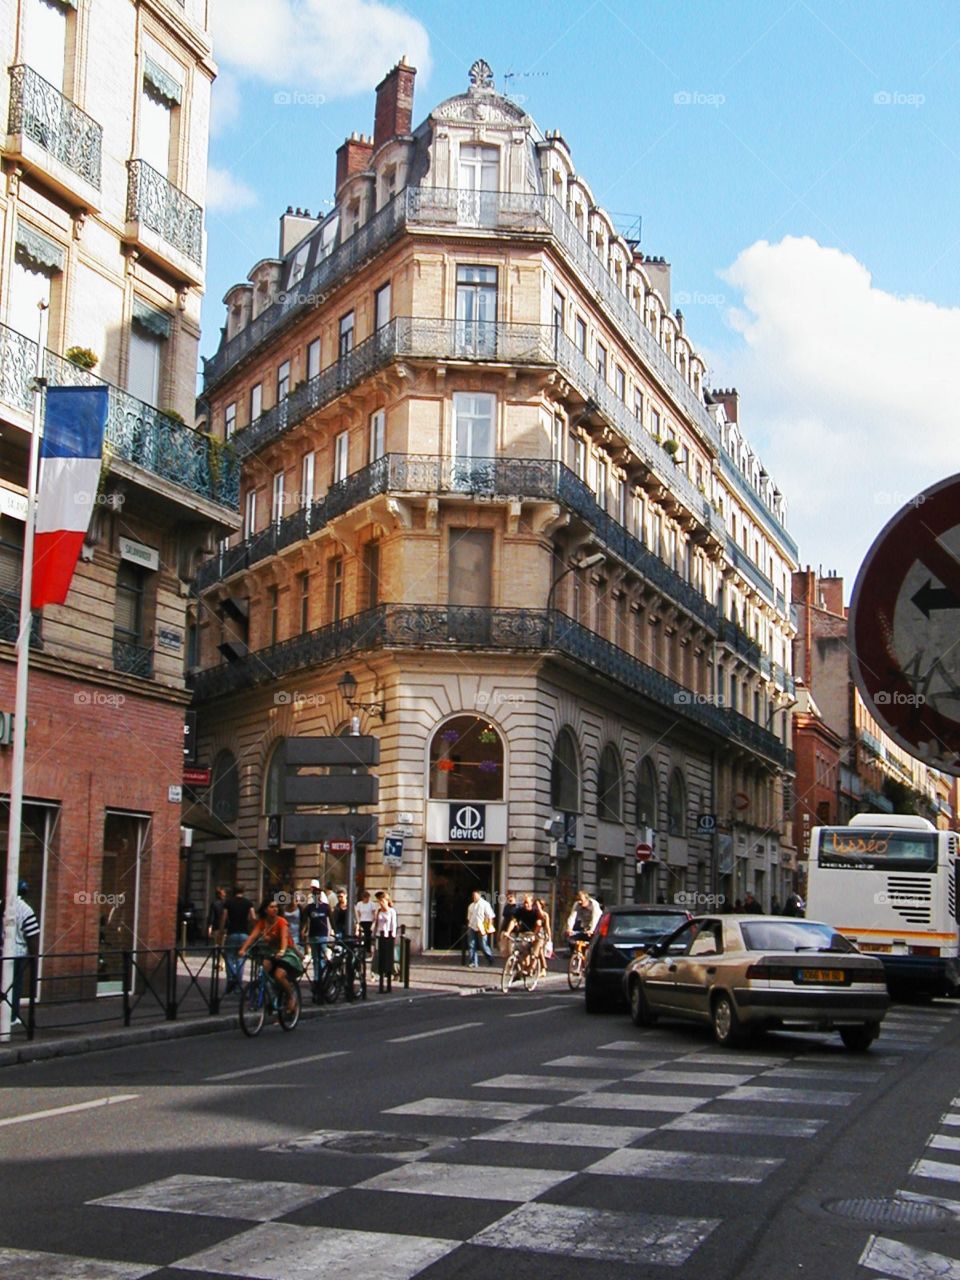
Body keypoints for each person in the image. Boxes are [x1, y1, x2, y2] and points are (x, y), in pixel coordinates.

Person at [237, 897, 302, 1016]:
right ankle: (269, 995)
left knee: (279, 975)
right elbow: (252, 937)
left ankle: (291, 996)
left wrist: (282, 950)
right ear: (265, 910)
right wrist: (243, 949)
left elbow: (284, 938)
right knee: (264, 969)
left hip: (286, 953)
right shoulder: (262, 922)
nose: (275, 909)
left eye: (276, 907)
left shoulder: (281, 921)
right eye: (271, 907)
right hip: (271, 952)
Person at [6, 880, 40, 1028]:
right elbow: (32, 936)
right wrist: (34, 959)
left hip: (4, 953)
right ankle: (12, 1016)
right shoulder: (26, 910)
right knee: (15, 986)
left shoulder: (3, 905)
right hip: (18, 954)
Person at [301, 878, 333, 1002]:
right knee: (315, 959)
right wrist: (303, 930)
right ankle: (317, 979)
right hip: (313, 935)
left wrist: (333, 932)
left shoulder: (325, 907)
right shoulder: (309, 908)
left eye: (317, 894)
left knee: (322, 958)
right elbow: (305, 920)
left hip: (323, 935)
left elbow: (331, 920)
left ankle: (322, 979)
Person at [222, 884, 255, 994]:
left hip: (232, 932)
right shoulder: (248, 903)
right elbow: (253, 917)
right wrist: (253, 930)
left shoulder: (228, 903)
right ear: (243, 891)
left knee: (229, 957)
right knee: (241, 959)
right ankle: (238, 985)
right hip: (244, 933)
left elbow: (224, 917)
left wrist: (221, 931)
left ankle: (231, 978)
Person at [503, 892, 548, 968]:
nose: (525, 904)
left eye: (527, 902)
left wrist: (534, 935)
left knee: (535, 950)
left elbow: (540, 923)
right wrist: (508, 932)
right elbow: (513, 921)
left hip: (533, 934)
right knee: (520, 953)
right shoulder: (520, 910)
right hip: (523, 934)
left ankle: (534, 964)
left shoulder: (535, 911)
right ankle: (520, 967)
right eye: (524, 902)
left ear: (531, 903)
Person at [373, 890, 397, 993]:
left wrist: (393, 936)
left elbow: (393, 925)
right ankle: (381, 985)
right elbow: (375, 924)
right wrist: (373, 934)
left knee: (388, 960)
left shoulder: (392, 911)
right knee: (380, 960)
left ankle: (388, 985)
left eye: (382, 901)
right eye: (379, 901)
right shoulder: (379, 911)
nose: (381, 903)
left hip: (388, 937)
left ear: (387, 901)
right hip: (380, 936)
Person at [466, 890, 495, 967]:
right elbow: (469, 917)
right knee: (471, 945)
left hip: (482, 927)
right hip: (472, 926)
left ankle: (490, 958)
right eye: (473, 896)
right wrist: (469, 926)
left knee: (483, 945)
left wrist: (488, 927)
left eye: (475, 896)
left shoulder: (485, 904)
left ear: (479, 895)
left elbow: (490, 916)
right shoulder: (471, 906)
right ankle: (473, 962)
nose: (474, 897)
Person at [354, 889, 375, 954]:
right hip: (362, 921)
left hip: (369, 921)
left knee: (368, 936)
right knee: (361, 936)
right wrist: (358, 922)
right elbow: (358, 913)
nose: (367, 899)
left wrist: (373, 922)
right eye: (366, 898)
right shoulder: (359, 904)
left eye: (368, 898)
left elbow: (373, 913)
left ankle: (368, 950)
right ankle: (362, 949)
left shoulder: (371, 904)